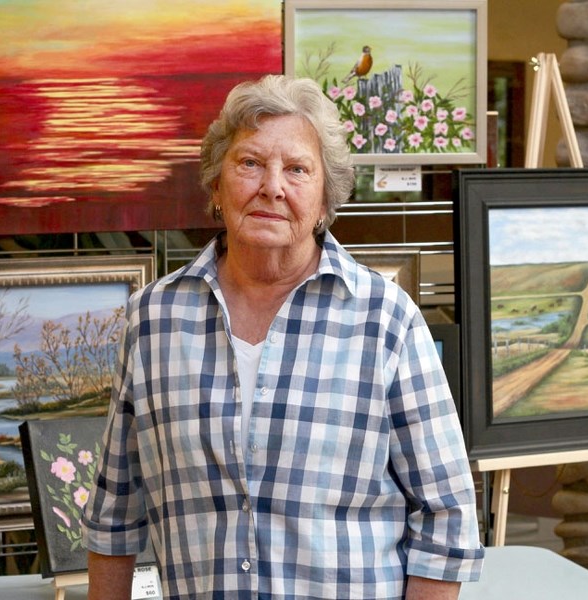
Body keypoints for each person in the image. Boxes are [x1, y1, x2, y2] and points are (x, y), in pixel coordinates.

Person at [82, 74, 484, 599]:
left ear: (324, 201)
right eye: (250, 163)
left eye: (297, 169)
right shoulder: (152, 320)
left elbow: (445, 518)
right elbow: (115, 514)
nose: (272, 186)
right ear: (216, 186)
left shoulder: (386, 320)